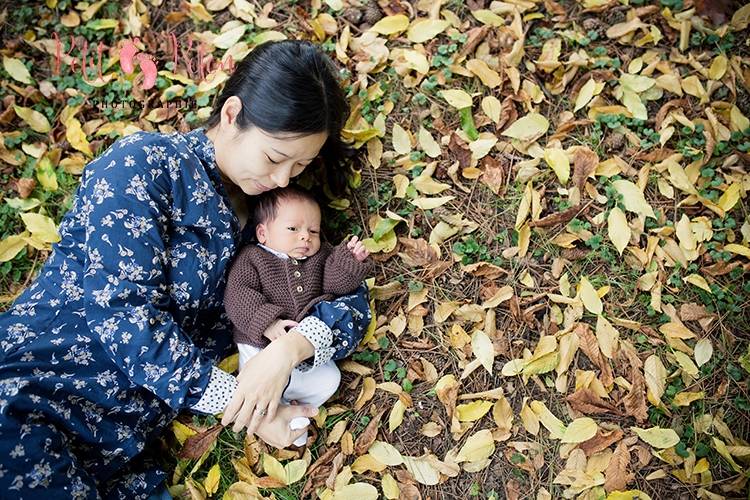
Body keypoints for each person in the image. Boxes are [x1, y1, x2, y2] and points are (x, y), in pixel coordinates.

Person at [0, 40, 371, 499]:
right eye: (276, 158)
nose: (282, 178)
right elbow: (125, 318)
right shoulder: (143, 167)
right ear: (233, 114)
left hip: (121, 455)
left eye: (300, 165)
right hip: (32, 395)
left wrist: (289, 349)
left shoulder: (276, 216)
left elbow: (348, 295)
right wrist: (246, 405)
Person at [225, 185, 372, 447]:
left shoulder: (321, 256)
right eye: (293, 229)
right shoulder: (253, 258)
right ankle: (273, 415)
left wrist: (349, 263)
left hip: (302, 350)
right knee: (255, 383)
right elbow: (238, 295)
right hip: (258, 343)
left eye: (313, 231)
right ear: (263, 232)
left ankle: (296, 411)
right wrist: (267, 322)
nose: (305, 237)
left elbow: (334, 287)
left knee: (329, 379)